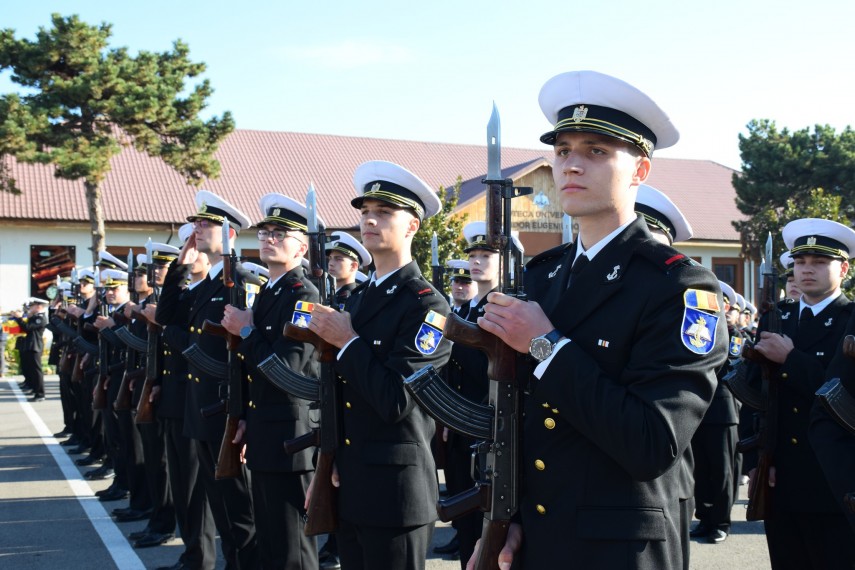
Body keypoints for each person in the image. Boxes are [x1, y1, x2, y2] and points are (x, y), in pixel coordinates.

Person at [468, 70, 727, 569]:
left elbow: (653, 441)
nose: (572, 165)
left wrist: (546, 345)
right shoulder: (543, 277)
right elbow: (521, 423)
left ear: (640, 171)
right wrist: (505, 520)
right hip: (538, 539)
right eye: (563, 151)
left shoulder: (679, 286)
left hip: (621, 547)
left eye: (597, 151)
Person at [305, 160, 452, 570]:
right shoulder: (358, 299)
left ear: (412, 226)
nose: (369, 220)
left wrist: (347, 341)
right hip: (351, 479)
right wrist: (330, 459)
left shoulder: (428, 306)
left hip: (395, 494)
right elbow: (338, 392)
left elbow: (395, 400)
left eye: (384, 212)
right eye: (365, 212)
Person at [221, 193, 322, 569]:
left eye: (280, 233)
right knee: (272, 544)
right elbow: (253, 371)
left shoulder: (304, 296)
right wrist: (246, 415)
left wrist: (247, 333)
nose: (268, 238)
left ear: (301, 247)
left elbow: (288, 368)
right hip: (266, 430)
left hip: (290, 439)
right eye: (265, 232)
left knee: (292, 547)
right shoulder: (269, 292)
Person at [748, 217, 855, 569]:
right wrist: (760, 460)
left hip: (835, 476)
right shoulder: (777, 317)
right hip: (782, 477)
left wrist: (791, 359)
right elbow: (756, 396)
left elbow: (841, 394)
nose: (807, 270)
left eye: (820, 262)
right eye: (800, 262)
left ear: (844, 268)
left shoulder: (849, 319)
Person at [161, 190, 258, 570]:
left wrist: (246, 415)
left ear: (229, 233)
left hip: (227, 412)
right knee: (221, 510)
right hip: (202, 411)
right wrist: (178, 267)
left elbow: (248, 356)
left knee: (240, 513)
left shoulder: (241, 283)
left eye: (205, 224)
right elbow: (169, 316)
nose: (197, 229)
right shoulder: (203, 287)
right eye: (197, 223)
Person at [151, 222, 217, 570]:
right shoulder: (193, 291)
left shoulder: (220, 289)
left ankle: (200, 557)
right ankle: (193, 555)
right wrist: (178, 269)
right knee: (182, 484)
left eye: (198, 251)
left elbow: (185, 340)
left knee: (196, 490)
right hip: (181, 399)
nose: (195, 254)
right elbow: (165, 317)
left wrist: (172, 336)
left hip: (201, 402)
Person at [12, 298, 49, 401]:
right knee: (32, 370)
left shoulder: (40, 318)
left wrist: (19, 319)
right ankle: (34, 389)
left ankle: (40, 394)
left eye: (33, 306)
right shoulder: (35, 317)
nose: (30, 308)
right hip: (31, 345)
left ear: (39, 307)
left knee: (36, 371)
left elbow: (27, 327)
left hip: (35, 346)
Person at [327, 230, 372, 310]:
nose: (331, 263)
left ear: (353, 266)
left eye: (338, 259)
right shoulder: (329, 295)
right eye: (330, 258)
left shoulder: (358, 298)